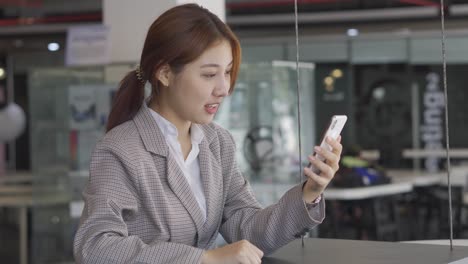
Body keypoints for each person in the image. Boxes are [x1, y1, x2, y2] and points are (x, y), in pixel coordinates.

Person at [73, 3, 342, 264]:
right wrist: (203, 259)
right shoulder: (121, 149)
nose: (224, 88)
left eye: (226, 72)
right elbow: (96, 247)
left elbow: (247, 228)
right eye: (209, 74)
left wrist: (310, 191)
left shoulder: (217, 142)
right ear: (165, 73)